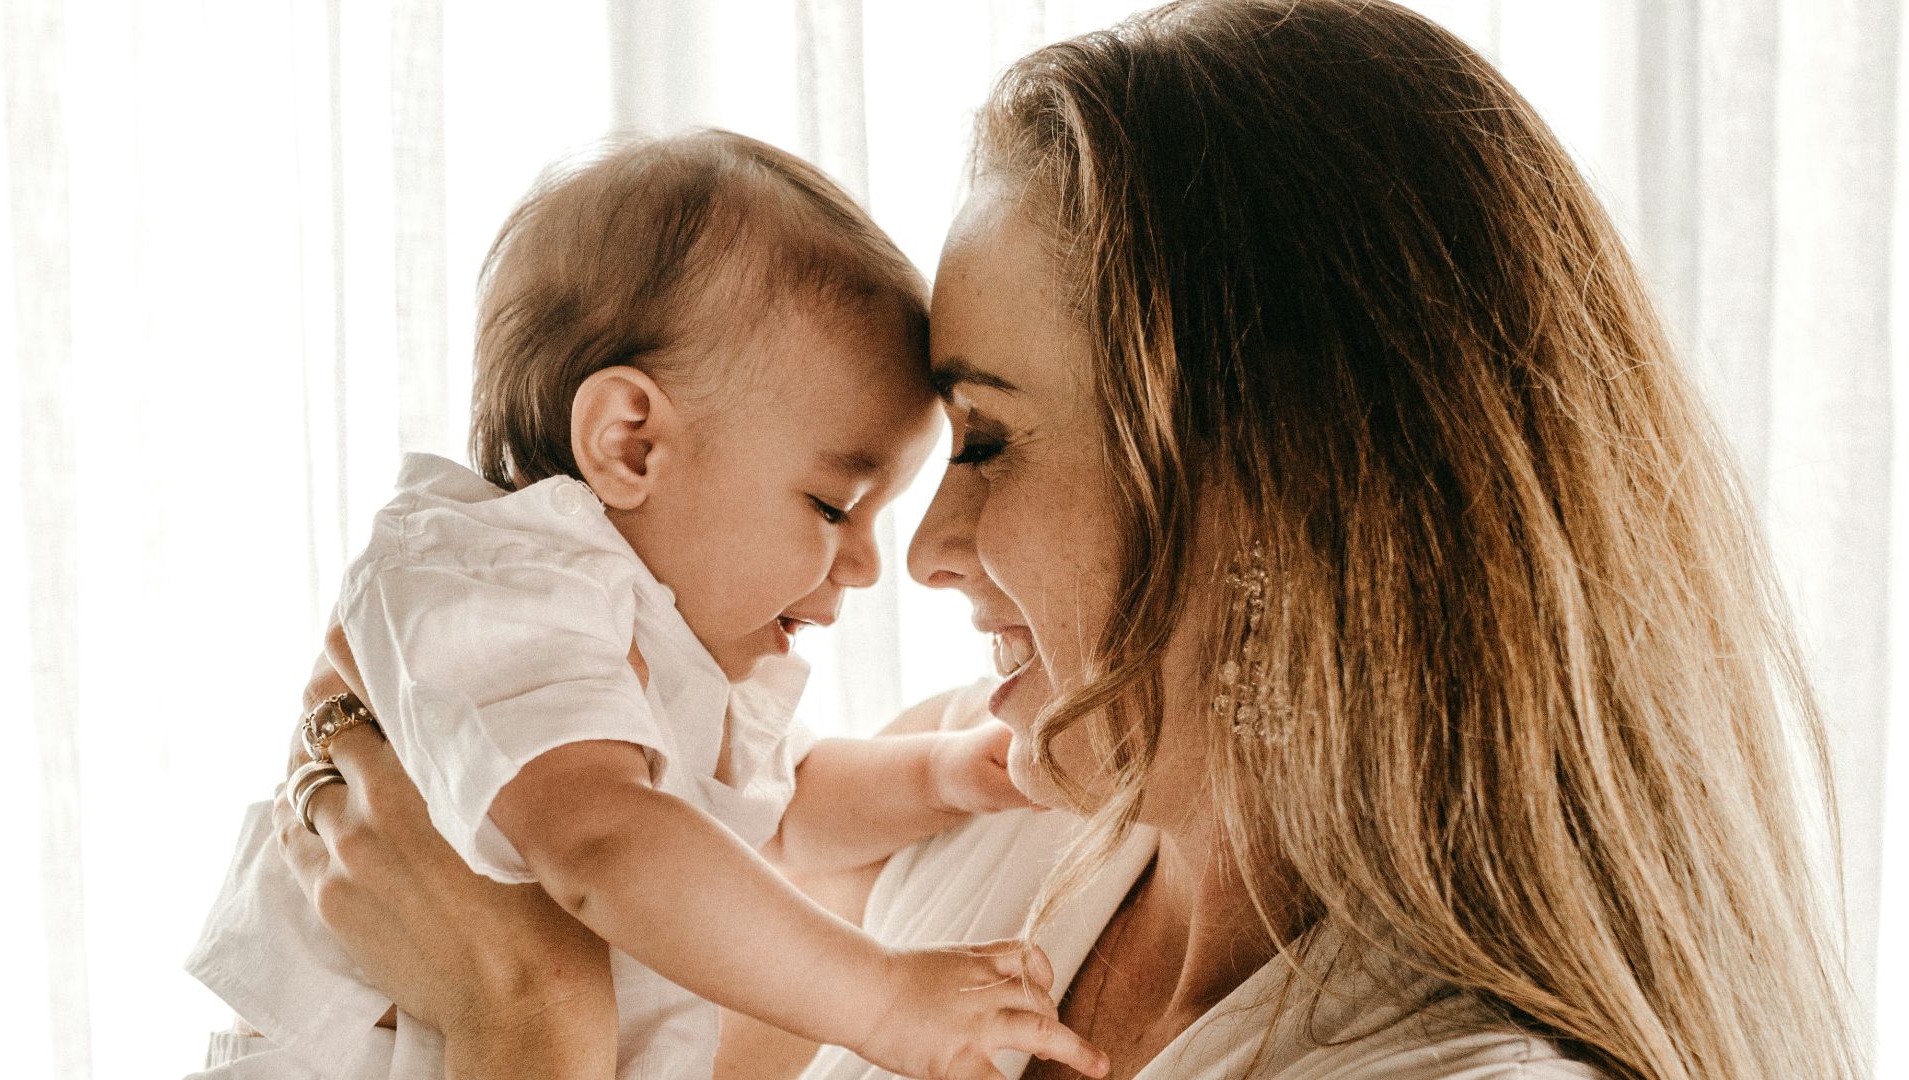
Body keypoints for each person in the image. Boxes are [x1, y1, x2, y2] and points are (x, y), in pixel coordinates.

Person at [265, 1, 1869, 1077]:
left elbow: (572, 967)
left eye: (989, 441)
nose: (924, 551)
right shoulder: (972, 836)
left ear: (1274, 485)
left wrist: (518, 1019)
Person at [185, 130, 1107, 1080]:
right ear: (630, 445)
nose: (871, 563)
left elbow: (771, 818)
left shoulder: (634, 648)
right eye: (834, 506)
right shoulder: (488, 582)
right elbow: (607, 841)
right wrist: (880, 998)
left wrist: (948, 776)